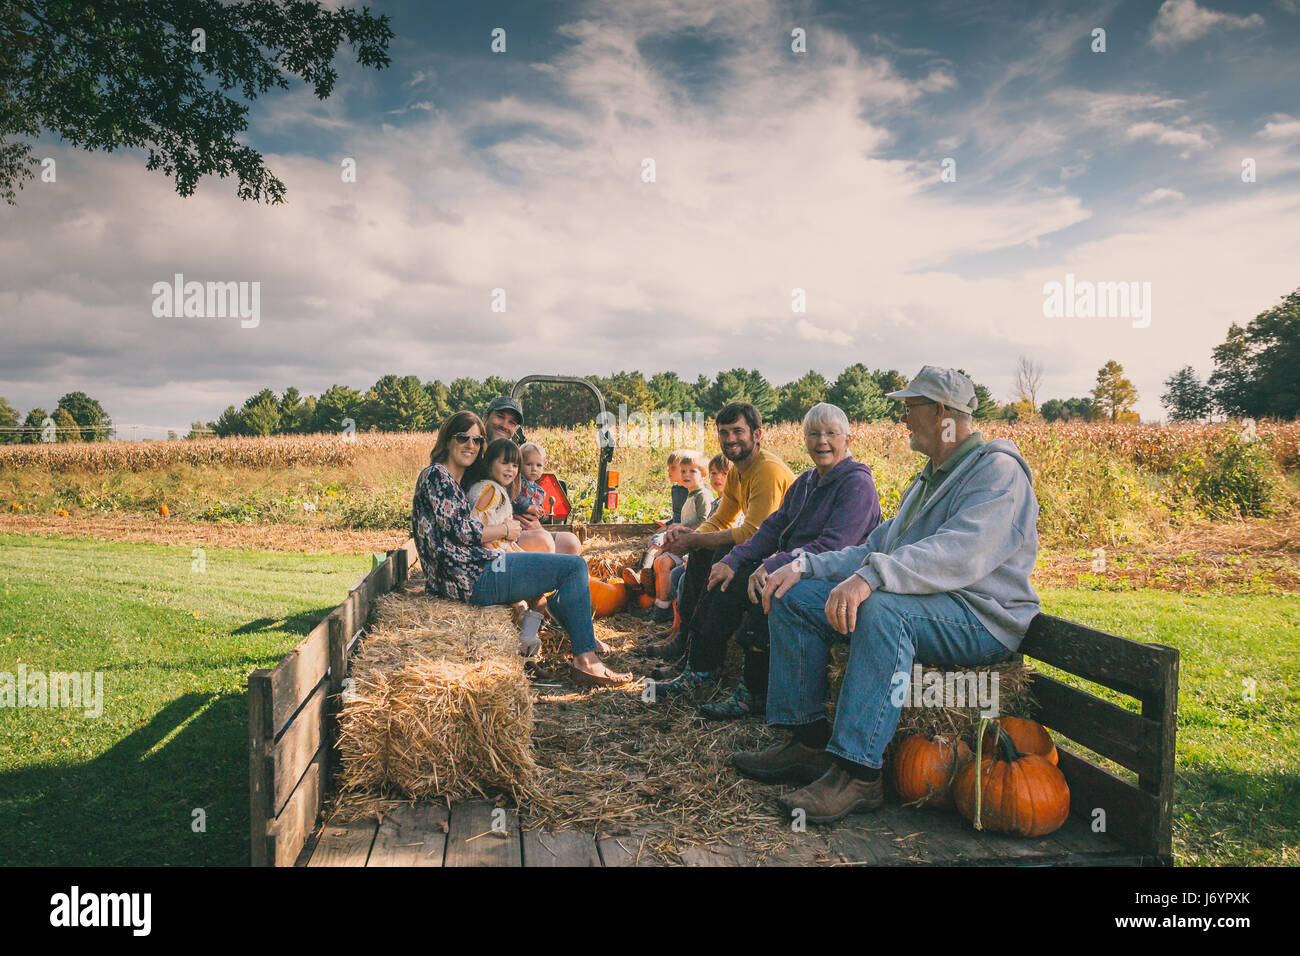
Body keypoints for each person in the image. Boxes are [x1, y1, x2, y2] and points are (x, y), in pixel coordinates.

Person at [733, 367, 1040, 823]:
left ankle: (859, 774)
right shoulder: (928, 479)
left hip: (980, 614)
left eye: (909, 407)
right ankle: (808, 743)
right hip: (927, 603)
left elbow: (959, 553)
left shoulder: (997, 472)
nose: (903, 417)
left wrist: (872, 577)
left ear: (940, 413)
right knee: (794, 598)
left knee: (881, 610)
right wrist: (804, 565)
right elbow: (876, 546)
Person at [654, 403, 882, 713]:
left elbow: (835, 546)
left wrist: (772, 564)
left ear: (848, 440)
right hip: (794, 564)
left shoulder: (856, 485)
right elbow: (772, 527)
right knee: (726, 579)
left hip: (833, 575)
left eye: (831, 434)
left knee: (770, 590)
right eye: (813, 434)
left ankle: (753, 694)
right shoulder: (806, 481)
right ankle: (700, 671)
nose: (821, 441)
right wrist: (734, 560)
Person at [412, 410, 630, 687]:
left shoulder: (453, 481)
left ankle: (578, 636)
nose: (471, 445)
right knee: (574, 567)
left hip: (473, 571)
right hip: (471, 577)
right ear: (447, 439)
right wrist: (506, 530)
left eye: (477, 440)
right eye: (462, 437)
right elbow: (461, 531)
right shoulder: (436, 476)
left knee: (558, 572)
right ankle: (586, 660)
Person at [647, 401, 796, 667]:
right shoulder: (738, 471)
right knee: (704, 550)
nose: (730, 439)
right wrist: (689, 536)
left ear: (757, 434)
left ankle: (703, 662)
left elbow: (755, 533)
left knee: (721, 555)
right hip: (758, 549)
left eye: (738, 431)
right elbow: (721, 518)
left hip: (782, 555)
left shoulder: (767, 471)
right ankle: (686, 641)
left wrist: (698, 539)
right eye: (724, 432)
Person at [482, 396, 582, 556]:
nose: (504, 425)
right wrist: (510, 520)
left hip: (518, 527)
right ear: (486, 416)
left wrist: (534, 523)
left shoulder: (513, 455)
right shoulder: (476, 450)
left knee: (571, 543)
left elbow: (517, 495)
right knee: (543, 542)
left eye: (512, 422)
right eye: (500, 417)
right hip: (495, 532)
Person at [638, 451, 716, 624]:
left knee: (664, 562)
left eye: (692, 471)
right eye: (683, 471)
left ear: (703, 474)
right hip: (685, 544)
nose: (686, 475)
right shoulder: (691, 494)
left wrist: (680, 526)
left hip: (695, 548)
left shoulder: (702, 496)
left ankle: (664, 609)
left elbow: (705, 523)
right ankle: (659, 603)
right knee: (659, 561)